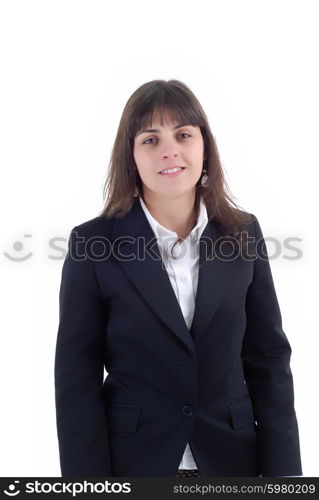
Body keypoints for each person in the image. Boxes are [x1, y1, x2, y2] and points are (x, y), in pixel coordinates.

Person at [54, 79, 302, 477]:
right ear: (131, 157)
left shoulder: (242, 232)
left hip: (233, 461)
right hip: (133, 464)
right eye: (150, 140)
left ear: (205, 147)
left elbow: (268, 358)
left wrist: (285, 476)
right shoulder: (92, 243)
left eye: (183, 134)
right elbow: (76, 377)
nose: (170, 149)